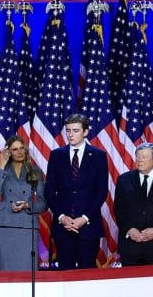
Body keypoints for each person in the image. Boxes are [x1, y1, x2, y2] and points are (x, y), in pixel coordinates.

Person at [44, 114, 109, 269]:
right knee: (65, 274)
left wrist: (84, 218)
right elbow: (50, 191)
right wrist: (61, 217)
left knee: (87, 274)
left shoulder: (99, 156)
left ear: (85, 132)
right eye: (68, 130)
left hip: (88, 227)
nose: (70, 134)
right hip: (63, 228)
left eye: (75, 130)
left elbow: (101, 192)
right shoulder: (56, 155)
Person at [0, 135, 46, 271]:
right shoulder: (2, 170)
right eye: (15, 149)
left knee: (26, 270)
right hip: (5, 224)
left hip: (26, 225)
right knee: (4, 270)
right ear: (8, 152)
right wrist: (1, 165)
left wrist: (28, 205)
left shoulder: (35, 171)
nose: (20, 152)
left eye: (22, 148)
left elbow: (43, 203)